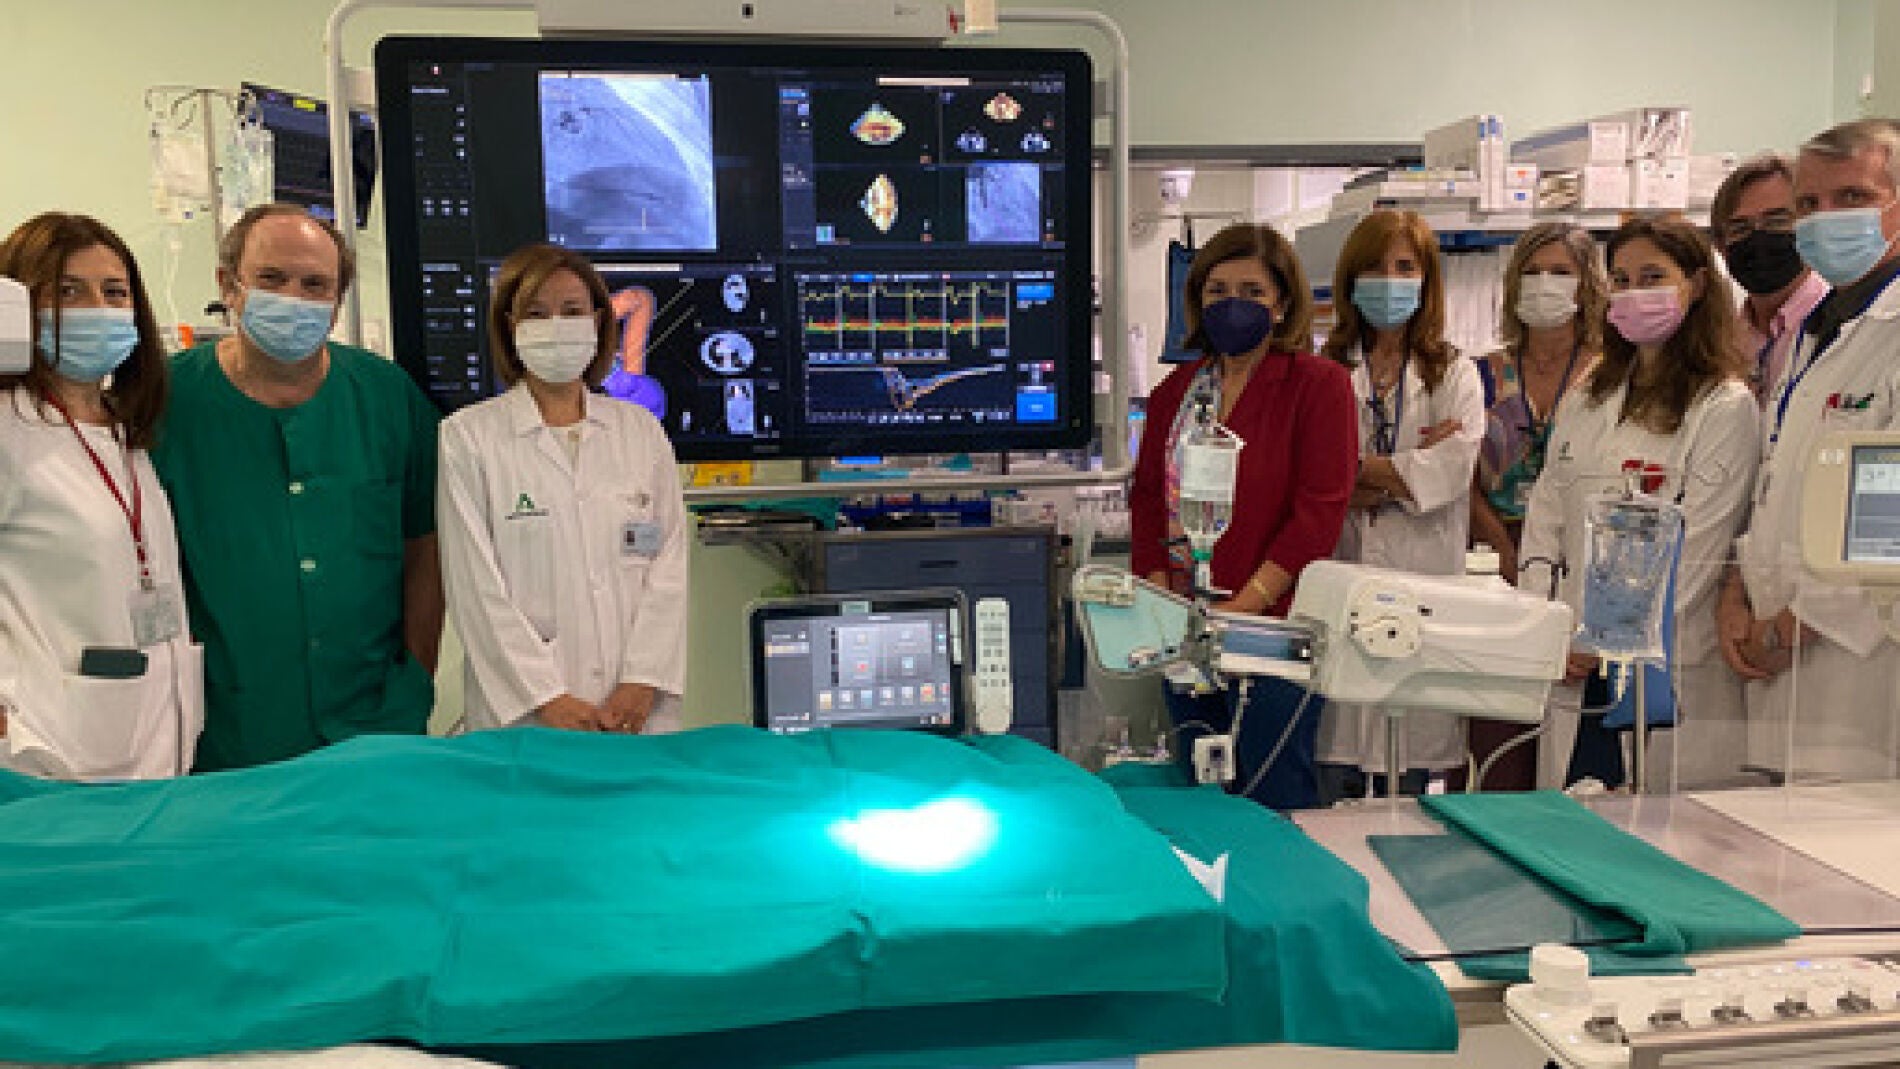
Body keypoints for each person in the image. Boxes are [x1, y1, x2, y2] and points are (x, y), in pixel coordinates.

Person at [152, 203, 444, 772]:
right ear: (228, 286)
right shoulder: (165, 403)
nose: (293, 298)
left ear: (337, 303)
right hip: (227, 732)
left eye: (315, 285)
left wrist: (417, 672)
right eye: (271, 278)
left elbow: (425, 545)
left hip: (374, 726)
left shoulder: (386, 398)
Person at [1520, 215, 1757, 790]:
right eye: (1621, 280)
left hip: (1662, 660)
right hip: (1570, 657)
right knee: (1568, 817)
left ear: (1696, 284)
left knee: (1655, 825)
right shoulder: (1590, 395)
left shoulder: (1723, 406)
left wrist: (1605, 639)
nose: (1633, 293)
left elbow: (1698, 548)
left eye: (1653, 277)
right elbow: (1546, 514)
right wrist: (1546, 623)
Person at [1129, 223, 1358, 810]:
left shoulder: (1318, 386)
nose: (1234, 304)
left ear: (1281, 303)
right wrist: (1161, 598)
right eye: (1218, 291)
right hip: (1186, 631)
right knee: (1200, 791)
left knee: (1270, 792)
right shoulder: (1176, 393)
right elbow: (1149, 498)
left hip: (1274, 630)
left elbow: (1319, 511)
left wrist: (1244, 606)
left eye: (1253, 292)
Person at [439, 243, 687, 733]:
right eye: (536, 313)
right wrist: (545, 698)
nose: (556, 326)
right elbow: (475, 589)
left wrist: (643, 679)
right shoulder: (468, 437)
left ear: (598, 322)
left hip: (635, 712)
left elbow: (669, 567)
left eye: (572, 311)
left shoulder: (640, 431)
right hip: (526, 719)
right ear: (510, 327)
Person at [1724, 119, 1900, 783]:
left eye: (1852, 197)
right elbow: (1778, 485)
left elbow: (1888, 530)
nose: (1825, 218)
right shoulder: (1818, 329)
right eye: (1809, 203)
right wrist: (1738, 590)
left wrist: (1792, 625)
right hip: (1777, 650)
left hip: (1859, 663)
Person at [0, 212, 202, 780]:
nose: (98, 309)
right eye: (68, 291)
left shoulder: (121, 429)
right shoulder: (8, 427)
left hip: (155, 733)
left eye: (115, 292)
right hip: (48, 753)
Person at [1315, 209, 1486, 802]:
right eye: (1373, 267)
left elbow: (1452, 471)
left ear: (1427, 278)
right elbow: (1314, 475)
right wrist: (1407, 469)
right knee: (1333, 767)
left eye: (1404, 267)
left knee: (1410, 779)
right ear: (1349, 279)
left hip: (1423, 581)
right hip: (1342, 574)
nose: (1388, 281)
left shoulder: (1455, 372)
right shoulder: (1327, 369)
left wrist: (1357, 471)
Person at [1463, 223, 1607, 790]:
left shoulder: (1608, 375)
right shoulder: (1482, 373)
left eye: (1561, 272)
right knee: (1496, 739)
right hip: (1493, 561)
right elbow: (1463, 478)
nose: (1545, 283)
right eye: (1533, 272)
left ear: (1587, 285)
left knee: (1568, 728)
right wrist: (1504, 552)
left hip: (1576, 564)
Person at [1708, 154, 1830, 407]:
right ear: (1720, 246)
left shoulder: (1839, 326)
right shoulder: (1723, 340)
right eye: (1740, 228)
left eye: (1777, 221)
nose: (1759, 238)